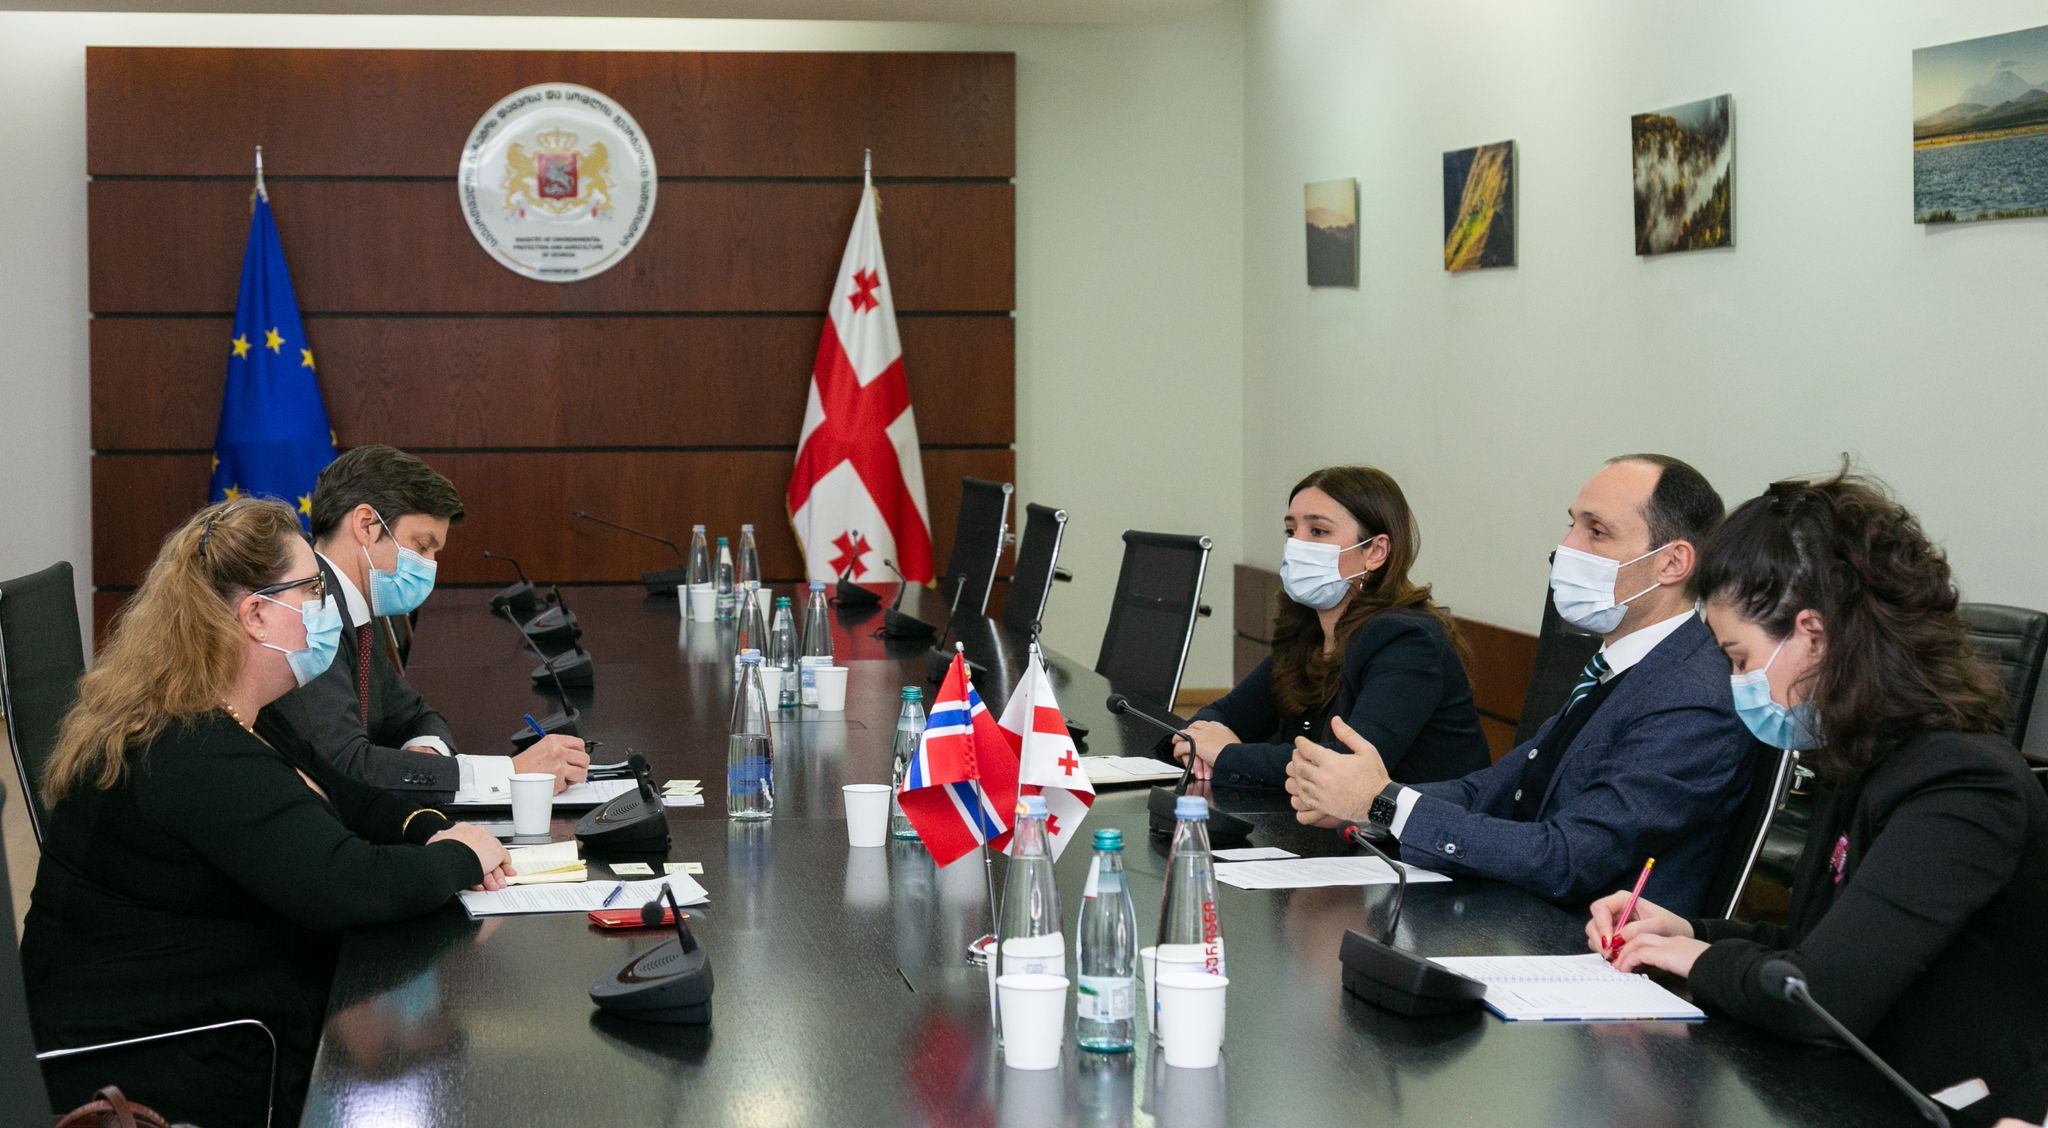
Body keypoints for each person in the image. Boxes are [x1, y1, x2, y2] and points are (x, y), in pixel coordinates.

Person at [22, 498, 514, 1124]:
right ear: (255, 615)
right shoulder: (189, 752)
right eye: (312, 589)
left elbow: (350, 797)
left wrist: (436, 829)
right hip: (152, 1066)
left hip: (216, 1010)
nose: (328, 605)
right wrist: (460, 857)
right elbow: (345, 883)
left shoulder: (242, 716)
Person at [1588, 468, 2048, 1125]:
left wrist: (1705, 960)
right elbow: (1816, 941)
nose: (1735, 681)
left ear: (1813, 635)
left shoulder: (1963, 784)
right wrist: (1688, 932)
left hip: (1951, 1105)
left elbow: (1820, 998)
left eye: (1739, 658)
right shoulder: (1861, 758)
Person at [1286, 454, 1755, 916]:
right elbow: (1492, 791)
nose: (1566, 547)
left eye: (1596, 531)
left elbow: (1568, 857)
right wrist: (1368, 804)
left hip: (1584, 946)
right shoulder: (1619, 666)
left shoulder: (1694, 697)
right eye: (1572, 525)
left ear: (1672, 563)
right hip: (1515, 916)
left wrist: (1385, 803)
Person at [261, 444, 587, 800]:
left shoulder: (355, 610)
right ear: (366, 525)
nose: (430, 565)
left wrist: (427, 755)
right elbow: (344, 766)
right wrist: (513, 772)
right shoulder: (309, 614)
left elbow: (415, 716)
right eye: (421, 546)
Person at [1173, 465, 1488, 788]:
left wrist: (1225, 753)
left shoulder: (1408, 641)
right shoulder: (1306, 631)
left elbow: (1346, 766)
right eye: (1291, 531)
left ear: (1376, 551)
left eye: (1318, 531)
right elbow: (1220, 716)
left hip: (1417, 821)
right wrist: (1199, 743)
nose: (1296, 545)